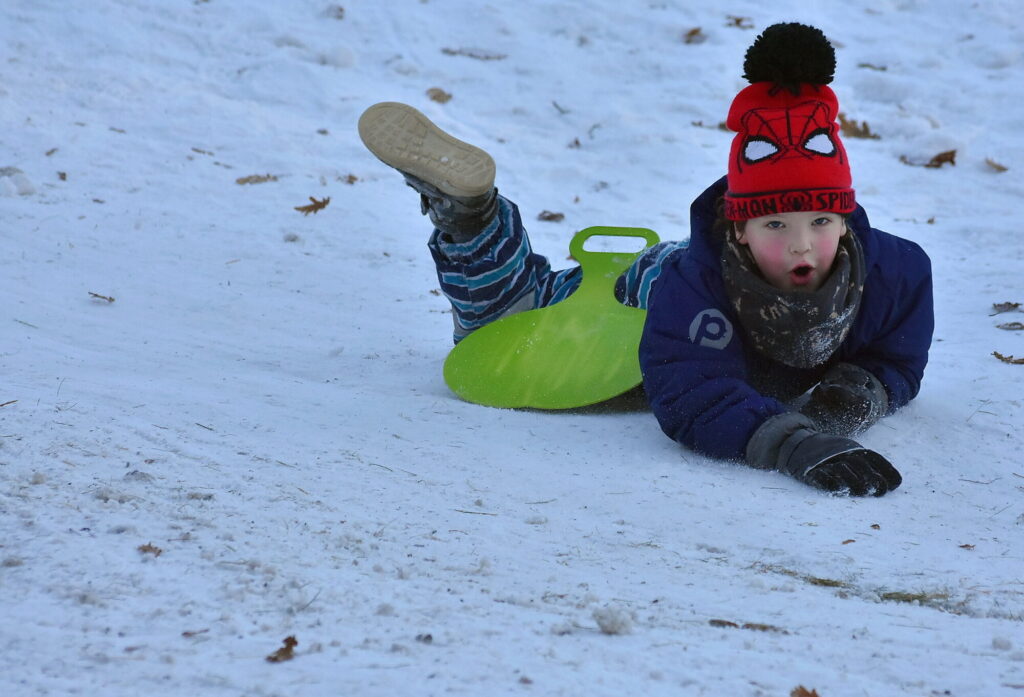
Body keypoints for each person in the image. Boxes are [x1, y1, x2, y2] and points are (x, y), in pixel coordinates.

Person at [357, 23, 934, 497]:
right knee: (505, 323)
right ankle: (471, 215)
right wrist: (792, 442)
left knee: (533, 301)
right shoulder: (693, 288)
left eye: (821, 222)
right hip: (652, 287)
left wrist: (862, 389)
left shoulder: (897, 275)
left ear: (846, 217)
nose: (802, 244)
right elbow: (691, 394)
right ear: (740, 226)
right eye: (775, 224)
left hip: (699, 276)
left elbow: (898, 356)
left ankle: (481, 224)